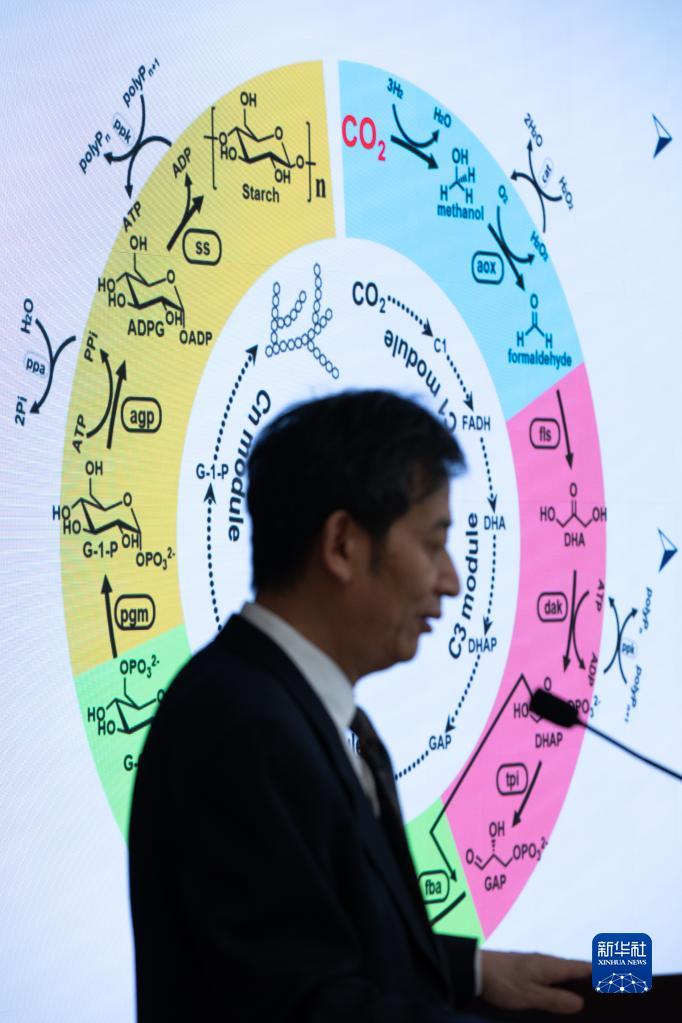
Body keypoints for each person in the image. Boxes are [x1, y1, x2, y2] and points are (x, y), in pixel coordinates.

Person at [129, 389, 590, 1021]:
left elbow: (321, 939)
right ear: (342, 544)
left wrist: (474, 972)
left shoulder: (280, 705)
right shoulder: (243, 731)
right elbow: (305, 1006)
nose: (451, 580)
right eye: (432, 544)